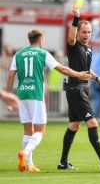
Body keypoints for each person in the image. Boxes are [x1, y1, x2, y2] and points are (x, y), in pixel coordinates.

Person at [6, 29, 92, 172]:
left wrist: (9, 96)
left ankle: (29, 164)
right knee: (40, 130)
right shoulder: (42, 53)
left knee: (28, 129)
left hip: (22, 94)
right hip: (36, 94)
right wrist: (78, 74)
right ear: (40, 39)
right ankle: (25, 153)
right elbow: (62, 69)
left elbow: (10, 76)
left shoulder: (18, 54)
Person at [57, 5, 100, 171]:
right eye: (84, 32)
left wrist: (98, 78)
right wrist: (76, 18)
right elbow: (70, 37)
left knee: (74, 125)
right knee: (93, 122)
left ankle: (63, 162)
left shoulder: (88, 48)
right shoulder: (74, 45)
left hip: (81, 88)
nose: (87, 35)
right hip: (76, 89)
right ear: (78, 32)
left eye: (89, 32)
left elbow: (87, 69)